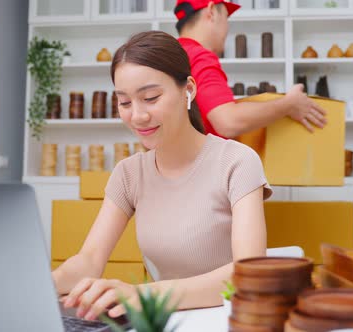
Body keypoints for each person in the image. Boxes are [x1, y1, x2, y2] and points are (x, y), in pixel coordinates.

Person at [52, 31, 272, 321]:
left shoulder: (236, 161)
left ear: (188, 90)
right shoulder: (128, 174)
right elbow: (89, 260)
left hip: (230, 320)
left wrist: (142, 294)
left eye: (151, 98)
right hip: (168, 321)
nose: (138, 116)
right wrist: (36, 288)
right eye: (125, 103)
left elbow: (248, 272)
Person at [174, 0, 328, 138]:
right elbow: (229, 122)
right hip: (204, 168)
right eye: (226, 18)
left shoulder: (171, 55)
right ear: (212, 11)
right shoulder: (199, 57)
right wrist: (289, 104)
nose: (227, 28)